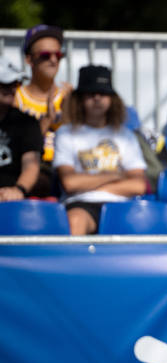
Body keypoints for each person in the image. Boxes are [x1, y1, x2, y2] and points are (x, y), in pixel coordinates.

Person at [53, 65, 147, 235]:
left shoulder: (126, 135)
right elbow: (69, 183)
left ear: (112, 98)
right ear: (79, 97)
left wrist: (88, 184)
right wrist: (115, 175)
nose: (97, 97)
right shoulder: (65, 133)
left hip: (121, 205)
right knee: (75, 221)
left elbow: (138, 185)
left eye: (103, 93)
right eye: (90, 92)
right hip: (81, 204)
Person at [14, 24, 73, 196]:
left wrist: (71, 115)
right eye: (46, 55)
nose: (53, 60)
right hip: (33, 168)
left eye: (58, 54)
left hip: (67, 167)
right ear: (29, 60)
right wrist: (47, 120)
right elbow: (13, 147)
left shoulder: (69, 96)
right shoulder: (15, 98)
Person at [0, 56, 43, 201]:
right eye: (6, 84)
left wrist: (18, 190)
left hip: (13, 201)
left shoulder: (27, 122)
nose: (13, 88)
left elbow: (31, 166)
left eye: (16, 83)